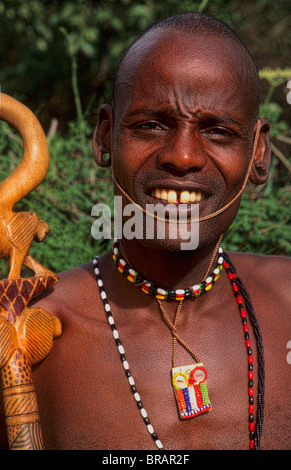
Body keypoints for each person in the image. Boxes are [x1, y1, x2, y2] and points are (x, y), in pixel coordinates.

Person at [0, 11, 290, 451]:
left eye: (217, 131)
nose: (183, 157)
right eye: (151, 125)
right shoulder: (28, 336)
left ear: (258, 153)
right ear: (104, 137)